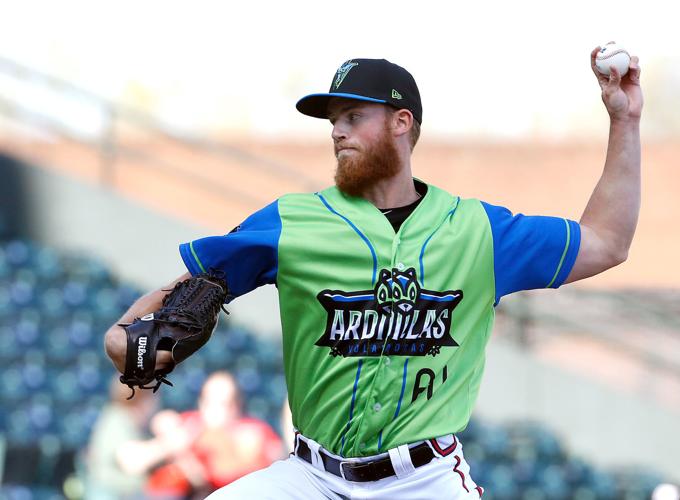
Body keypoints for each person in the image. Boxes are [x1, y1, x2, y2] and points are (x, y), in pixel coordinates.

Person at [105, 49, 642, 499]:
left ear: (401, 122)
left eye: (353, 116)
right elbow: (189, 288)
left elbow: (605, 242)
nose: (337, 131)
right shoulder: (294, 220)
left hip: (425, 480)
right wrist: (123, 331)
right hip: (311, 478)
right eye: (333, 121)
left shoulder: (478, 231)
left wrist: (625, 121)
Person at [144, 371, 284, 499]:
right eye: (209, 401)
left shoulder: (252, 430)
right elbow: (137, 456)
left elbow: (277, 457)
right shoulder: (192, 423)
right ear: (201, 402)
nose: (215, 409)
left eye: (224, 403)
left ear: (236, 405)